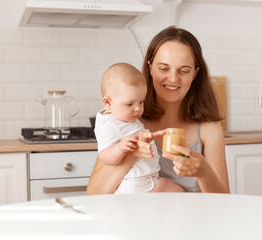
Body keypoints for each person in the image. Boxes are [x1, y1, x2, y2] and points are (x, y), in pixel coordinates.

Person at [87, 26, 230, 194]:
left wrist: (204, 172)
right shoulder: (128, 120)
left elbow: (224, 202)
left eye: (184, 71)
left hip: (190, 219)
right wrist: (132, 153)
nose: (173, 78)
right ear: (150, 68)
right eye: (163, 68)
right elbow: (94, 194)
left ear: (195, 74)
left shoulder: (208, 130)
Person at [95, 62, 184, 193]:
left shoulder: (124, 117)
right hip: (137, 181)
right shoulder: (108, 124)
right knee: (178, 194)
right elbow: (105, 156)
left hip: (147, 177)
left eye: (141, 102)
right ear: (108, 102)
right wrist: (120, 149)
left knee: (177, 193)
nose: (137, 109)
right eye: (130, 104)